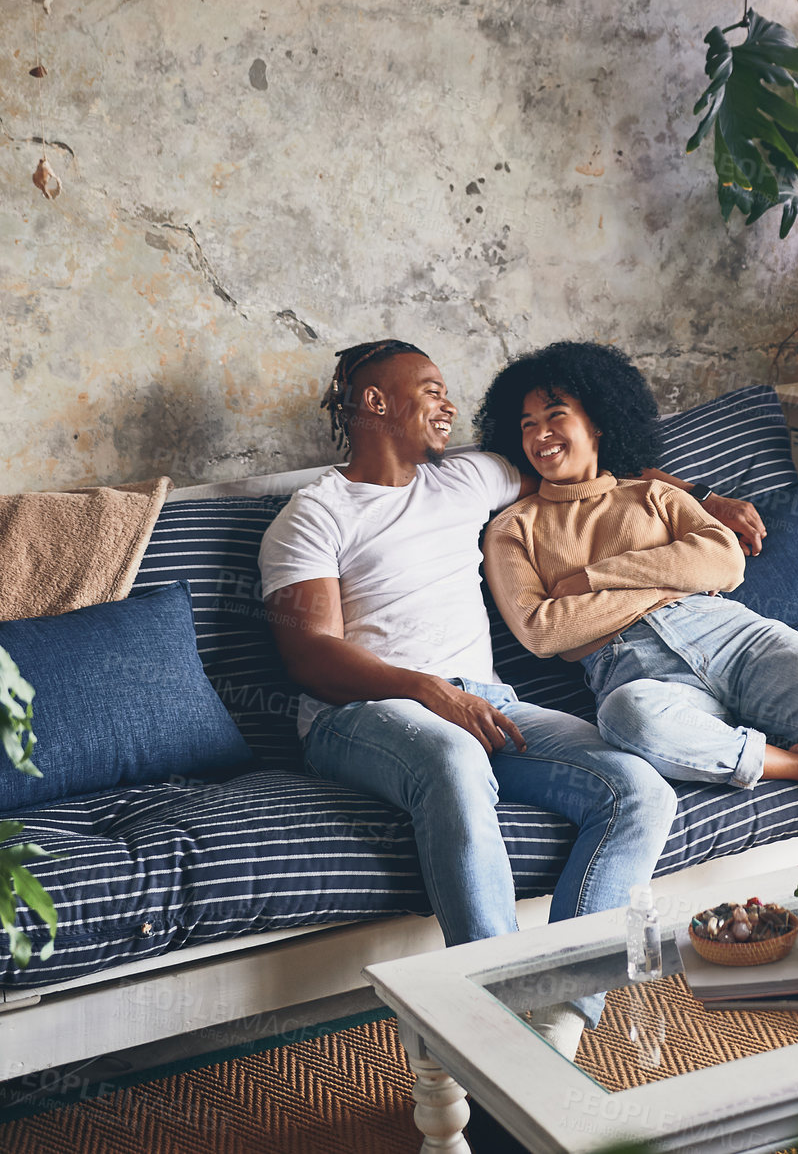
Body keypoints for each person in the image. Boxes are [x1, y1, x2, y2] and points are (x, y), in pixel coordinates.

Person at [258, 338, 754, 1057]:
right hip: (362, 714)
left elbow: (589, 474)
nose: (448, 404)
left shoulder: (474, 478)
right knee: (453, 761)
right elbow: (310, 655)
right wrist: (421, 689)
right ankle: (490, 1029)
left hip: (489, 701)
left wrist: (701, 499)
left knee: (638, 790)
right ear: (374, 402)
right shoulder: (316, 513)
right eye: (428, 389)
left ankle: (556, 1017)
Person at [478, 341, 798, 849]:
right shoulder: (513, 529)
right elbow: (543, 630)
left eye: (554, 415)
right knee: (627, 717)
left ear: (597, 421)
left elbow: (725, 562)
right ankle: (794, 764)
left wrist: (592, 579)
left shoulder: (654, 494)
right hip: (636, 672)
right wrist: (673, 576)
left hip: (736, 638)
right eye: (526, 424)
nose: (540, 434)